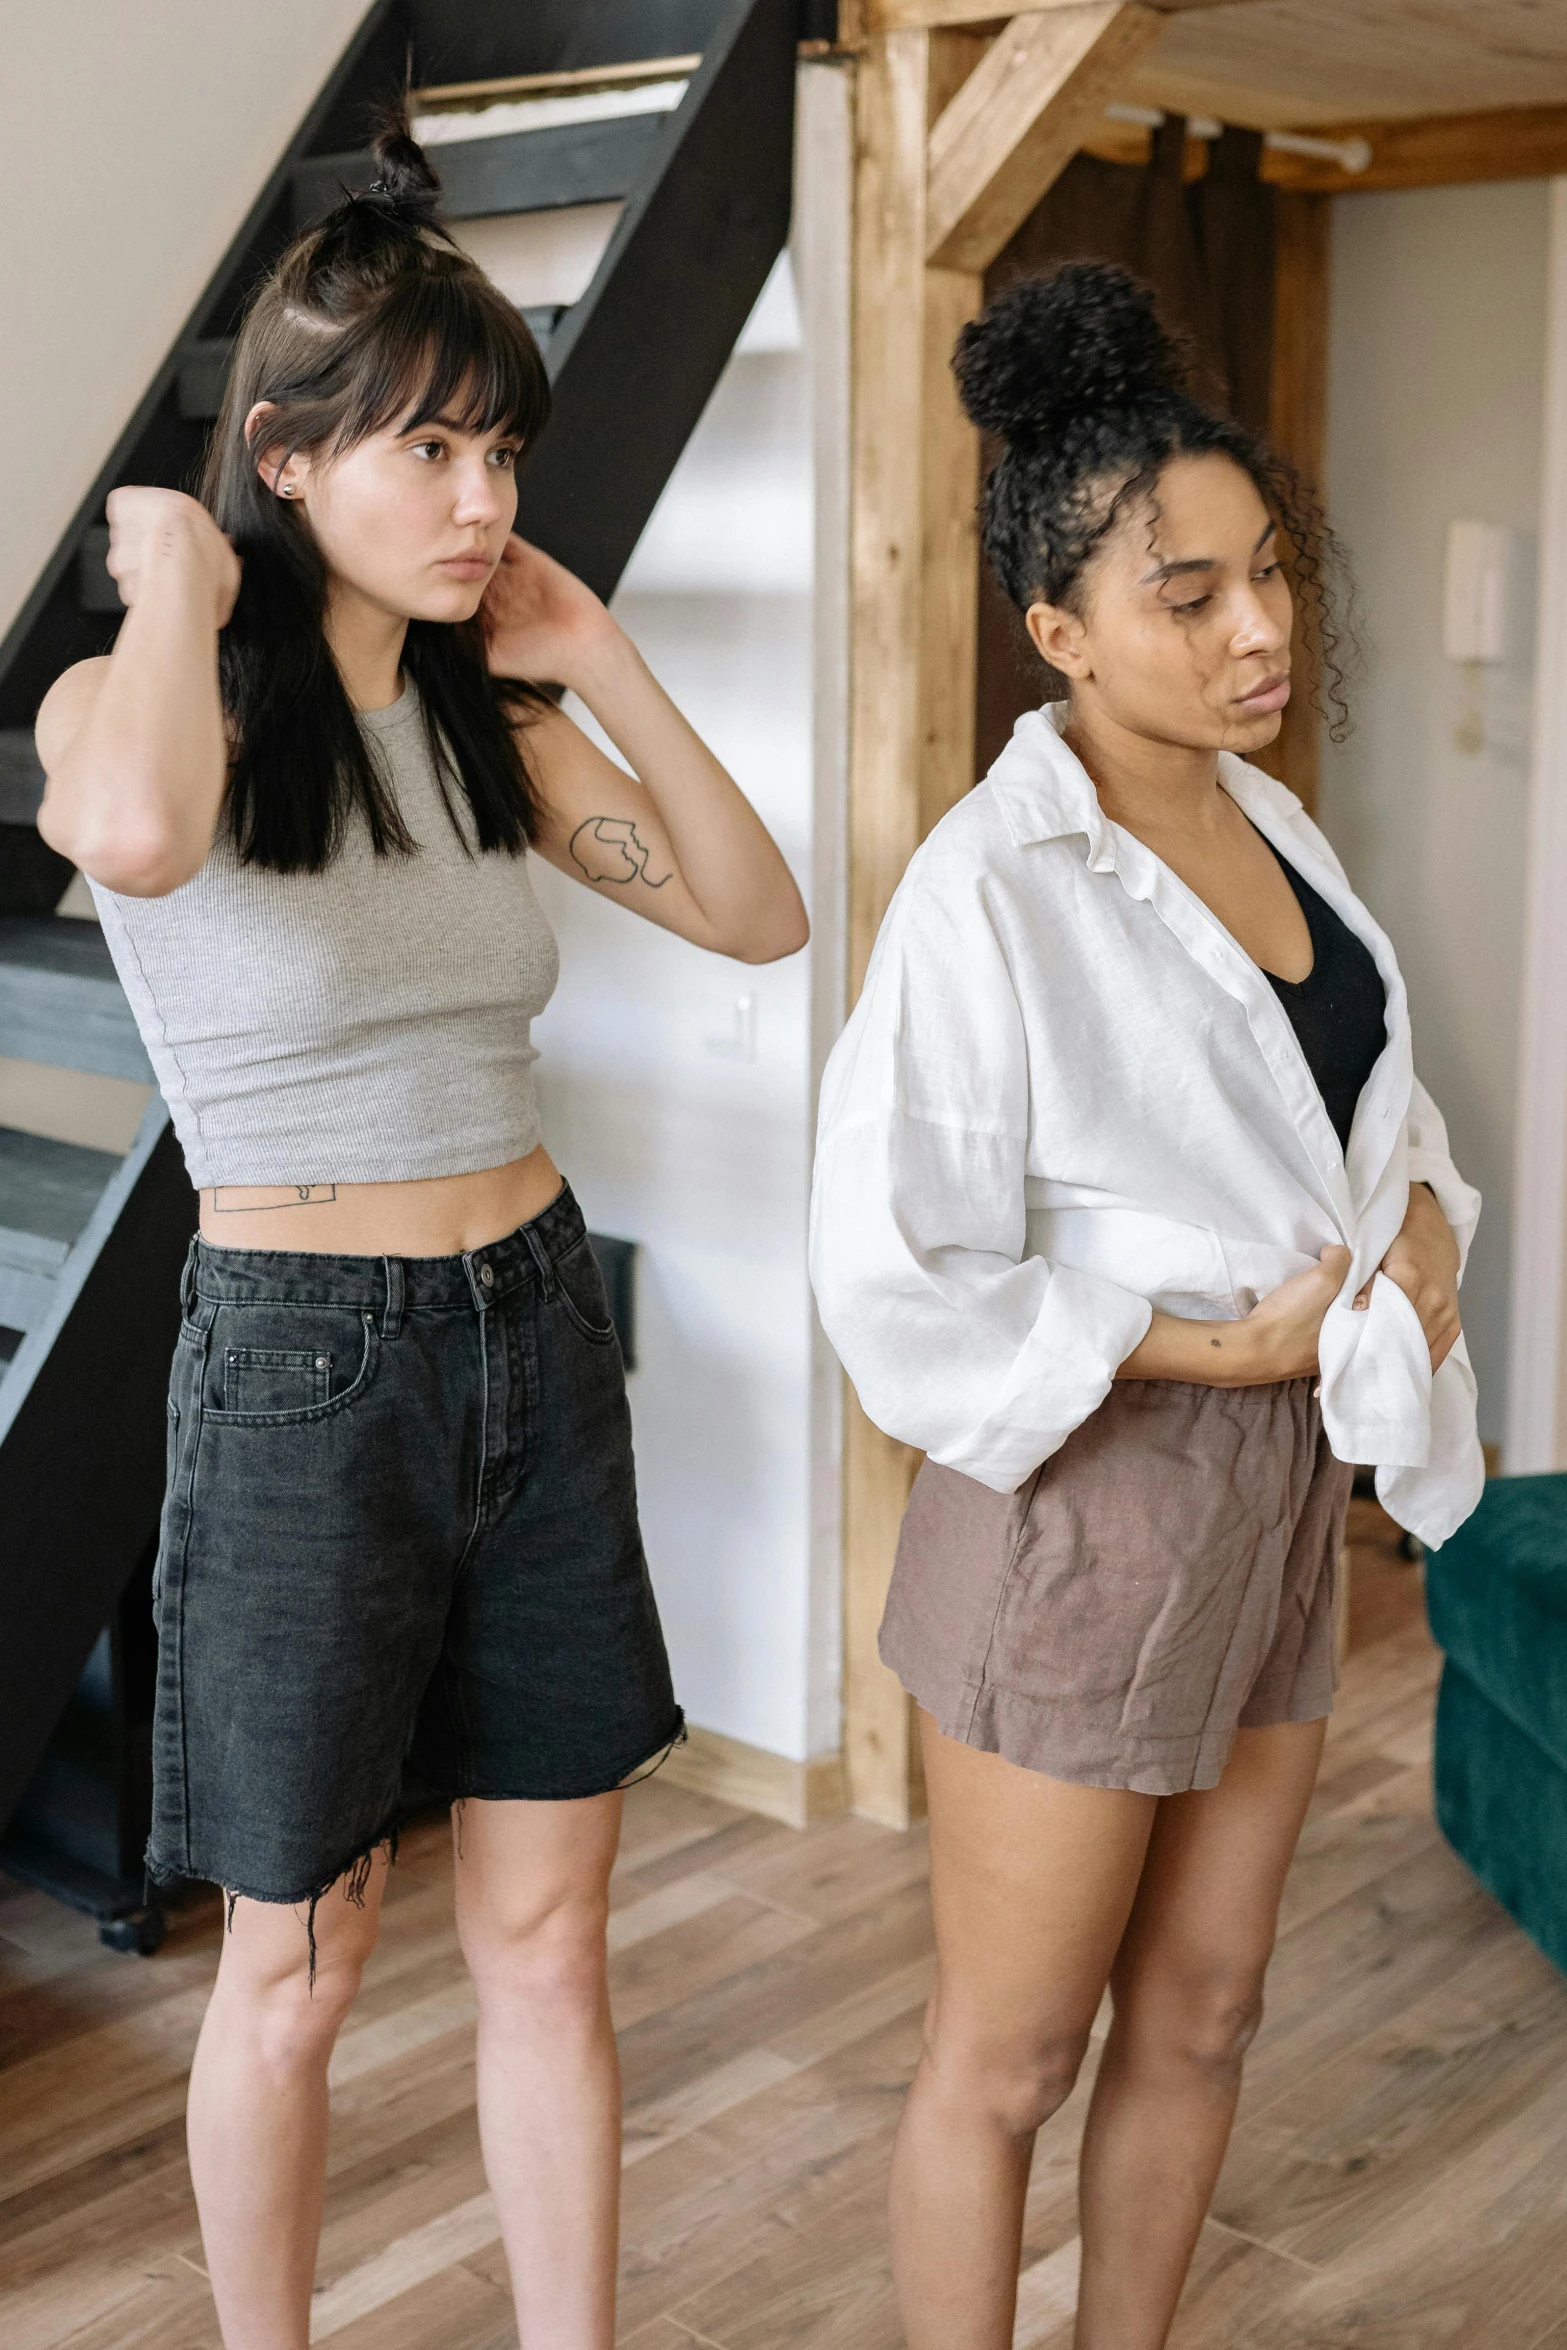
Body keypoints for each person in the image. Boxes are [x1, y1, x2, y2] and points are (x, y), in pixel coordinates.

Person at [34, 123, 807, 2350]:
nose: (485, 496)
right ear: (290, 454)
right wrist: (175, 580)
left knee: (551, 1934)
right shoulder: (160, 700)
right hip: (301, 1367)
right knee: (295, 1953)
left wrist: (607, 653)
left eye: (505, 450)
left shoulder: (498, 728)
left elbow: (763, 916)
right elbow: (133, 829)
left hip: (535, 1329)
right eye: (434, 446)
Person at [809, 262, 1481, 2350]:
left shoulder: (1280, 825)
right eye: (1189, 595)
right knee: (1007, 2059)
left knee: (1205, 2012)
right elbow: (893, 1264)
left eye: (1266, 574)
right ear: (1059, 631)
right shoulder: (992, 887)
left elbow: (1370, 1119)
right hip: (1086, 1506)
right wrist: (1217, 1347)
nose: (1260, 627)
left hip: (1280, 1496)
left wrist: (1434, 1227)